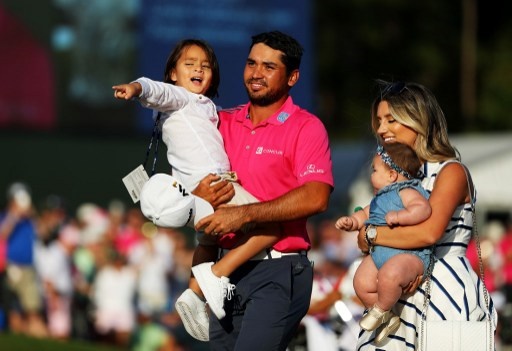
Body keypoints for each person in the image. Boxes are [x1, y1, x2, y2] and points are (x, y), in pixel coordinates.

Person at [112, 39, 281, 341]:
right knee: (273, 225)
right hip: (217, 185)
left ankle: (193, 295)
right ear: (173, 74)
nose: (198, 69)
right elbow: (156, 89)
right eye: (189, 64)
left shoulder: (204, 108)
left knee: (207, 243)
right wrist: (136, 89)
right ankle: (214, 277)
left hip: (196, 194)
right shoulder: (180, 97)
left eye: (205, 66)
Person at [190, 30, 334, 350]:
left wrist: (244, 215)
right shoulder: (221, 121)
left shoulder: (306, 127)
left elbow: (316, 196)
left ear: (293, 77)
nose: (256, 73)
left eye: (269, 67)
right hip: (225, 270)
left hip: (278, 266)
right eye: (252, 63)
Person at [355, 80, 498, 349]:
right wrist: (368, 234)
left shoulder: (451, 171)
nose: (381, 128)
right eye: (379, 120)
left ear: (418, 121)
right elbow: (362, 241)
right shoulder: (392, 176)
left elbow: (428, 232)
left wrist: (372, 233)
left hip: (445, 291)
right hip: (393, 290)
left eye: (391, 120)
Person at [335, 142, 432, 344]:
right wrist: (352, 222)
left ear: (392, 175)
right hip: (380, 253)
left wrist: (401, 215)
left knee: (390, 275)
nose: (371, 175)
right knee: (361, 281)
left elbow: (422, 209)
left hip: (409, 255)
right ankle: (387, 317)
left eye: (374, 170)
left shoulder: (407, 192)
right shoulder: (379, 199)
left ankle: (380, 310)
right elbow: (364, 214)